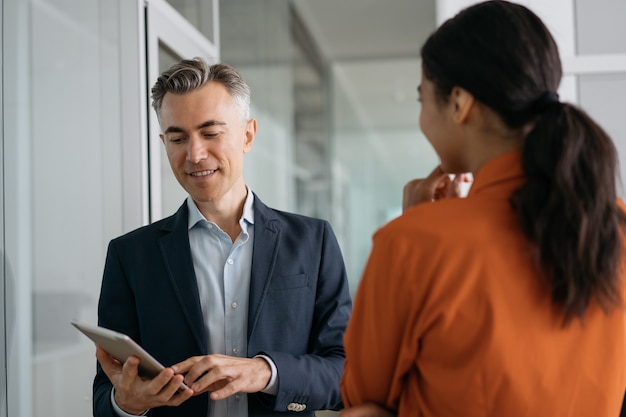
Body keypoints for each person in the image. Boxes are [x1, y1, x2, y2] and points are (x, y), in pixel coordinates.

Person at [340, 1, 626, 416]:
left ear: (458, 104)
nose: (422, 118)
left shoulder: (413, 243)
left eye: (423, 99)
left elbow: (362, 401)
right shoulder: (614, 223)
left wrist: (421, 223)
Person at [92, 58, 352, 417]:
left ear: (247, 134)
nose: (195, 154)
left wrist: (265, 371)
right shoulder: (131, 256)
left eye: (211, 133)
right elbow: (106, 397)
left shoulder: (313, 241)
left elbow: (346, 375)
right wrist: (126, 405)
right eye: (177, 137)